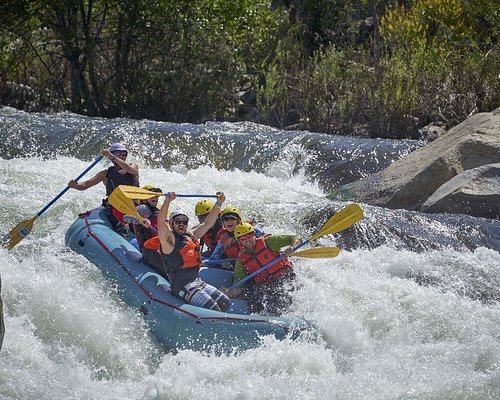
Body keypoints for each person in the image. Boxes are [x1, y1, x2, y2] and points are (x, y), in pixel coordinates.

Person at [158, 191, 230, 312]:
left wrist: (218, 203)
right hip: (181, 285)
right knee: (212, 308)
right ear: (171, 224)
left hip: (197, 281)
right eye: (178, 222)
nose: (181, 224)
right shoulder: (168, 240)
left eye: (184, 222)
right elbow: (160, 223)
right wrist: (167, 202)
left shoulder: (191, 236)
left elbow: (208, 223)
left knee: (224, 302)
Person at [227, 222, 301, 315]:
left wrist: (292, 247)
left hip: (285, 276)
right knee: (255, 300)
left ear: (254, 235)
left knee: (277, 295)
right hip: (266, 285)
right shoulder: (241, 261)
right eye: (243, 239)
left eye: (250, 236)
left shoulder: (269, 242)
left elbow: (295, 238)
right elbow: (238, 285)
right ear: (239, 242)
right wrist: (227, 293)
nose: (248, 240)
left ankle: (288, 316)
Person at [68, 143, 140, 234]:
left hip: (134, 204)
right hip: (116, 205)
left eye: (124, 154)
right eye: (118, 154)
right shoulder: (105, 173)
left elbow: (130, 170)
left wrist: (111, 156)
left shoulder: (133, 166)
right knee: (121, 228)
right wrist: (75, 185)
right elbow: (86, 185)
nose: (121, 156)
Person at [133, 185, 164, 274]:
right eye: (151, 195)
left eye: (156, 195)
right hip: (150, 250)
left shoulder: (157, 210)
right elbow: (127, 218)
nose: (155, 197)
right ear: (144, 198)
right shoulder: (142, 209)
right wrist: (141, 220)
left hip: (160, 247)